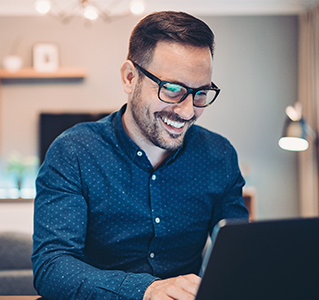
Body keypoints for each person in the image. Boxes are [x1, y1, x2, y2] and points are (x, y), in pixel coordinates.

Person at [32, 11, 249, 300]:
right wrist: (145, 290)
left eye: (200, 94)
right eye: (172, 89)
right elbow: (51, 268)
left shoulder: (219, 156)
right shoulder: (72, 152)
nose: (187, 111)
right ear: (130, 77)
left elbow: (237, 257)